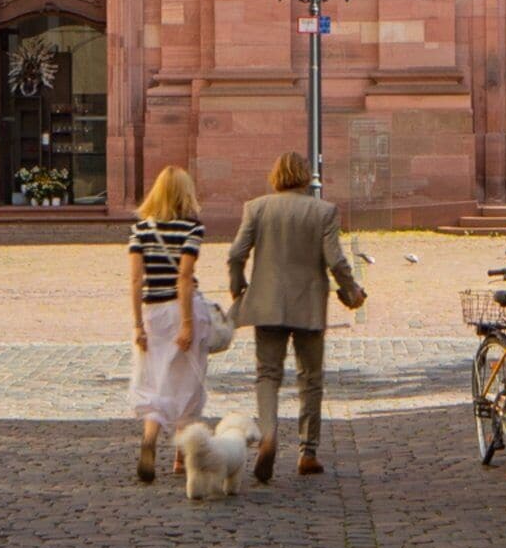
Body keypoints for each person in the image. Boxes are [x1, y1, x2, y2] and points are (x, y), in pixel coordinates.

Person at [222, 149, 361, 485]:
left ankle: (268, 435)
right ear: (305, 176)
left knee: (267, 375)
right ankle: (308, 451)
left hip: (266, 303)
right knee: (310, 378)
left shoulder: (256, 208)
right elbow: (336, 261)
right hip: (309, 304)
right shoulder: (324, 211)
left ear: (275, 176)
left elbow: (236, 253)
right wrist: (351, 290)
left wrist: (238, 286)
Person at [123, 165, 209, 484]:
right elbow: (184, 277)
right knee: (188, 384)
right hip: (182, 307)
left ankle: (149, 439)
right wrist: (187, 323)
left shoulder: (141, 229)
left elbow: (135, 279)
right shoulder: (191, 229)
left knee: (154, 381)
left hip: (151, 311)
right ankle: (181, 457)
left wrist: (137, 326)